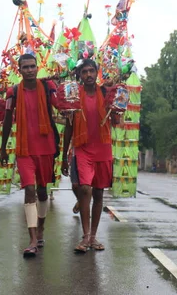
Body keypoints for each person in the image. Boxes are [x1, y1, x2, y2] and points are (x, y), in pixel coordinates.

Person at [0, 54, 59, 258]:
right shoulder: (13, 92)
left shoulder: (49, 88)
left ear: (37, 68)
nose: (30, 70)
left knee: (43, 191)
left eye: (33, 66)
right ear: (20, 70)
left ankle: (40, 228)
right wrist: (2, 149)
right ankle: (32, 239)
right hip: (24, 149)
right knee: (30, 190)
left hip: (46, 147)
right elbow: (7, 121)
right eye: (25, 67)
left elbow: (63, 105)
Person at [62, 59, 118, 253]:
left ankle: (93, 237)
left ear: (97, 72)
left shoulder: (106, 93)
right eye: (84, 72)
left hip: (103, 147)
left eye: (91, 71)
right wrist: (63, 155)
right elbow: (69, 126)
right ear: (80, 75)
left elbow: (116, 119)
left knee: (99, 192)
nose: (88, 75)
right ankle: (86, 236)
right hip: (82, 148)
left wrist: (118, 106)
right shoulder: (74, 95)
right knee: (84, 188)